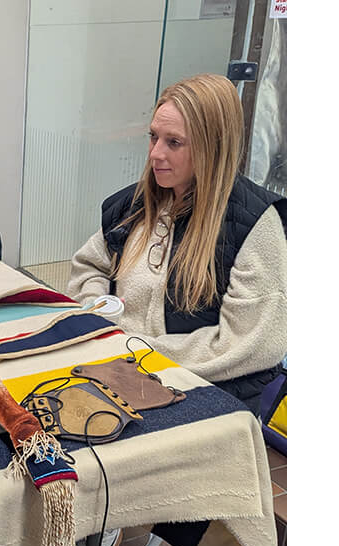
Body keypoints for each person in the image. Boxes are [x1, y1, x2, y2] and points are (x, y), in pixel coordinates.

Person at [67, 72, 286, 415]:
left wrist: (136, 351)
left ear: (212, 146)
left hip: (201, 393)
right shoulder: (134, 205)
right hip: (118, 370)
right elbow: (91, 264)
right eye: (153, 137)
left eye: (174, 142)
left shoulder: (255, 226)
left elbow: (248, 345)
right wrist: (97, 310)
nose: (155, 154)